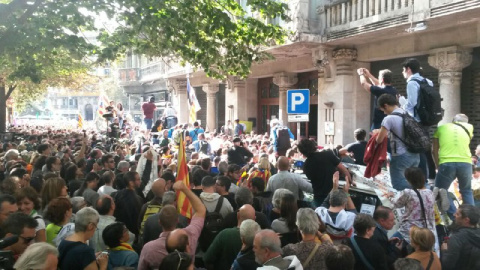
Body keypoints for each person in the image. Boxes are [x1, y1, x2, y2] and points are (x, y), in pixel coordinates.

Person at [138, 181, 206, 269]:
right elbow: (201, 210)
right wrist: (184, 189)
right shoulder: (189, 236)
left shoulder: (148, 249)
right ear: (177, 220)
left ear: (159, 222)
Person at [385, 167, 438, 251]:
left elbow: (395, 204)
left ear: (409, 180)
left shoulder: (408, 193)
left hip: (409, 232)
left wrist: (390, 197)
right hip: (427, 233)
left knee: (388, 248)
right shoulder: (430, 193)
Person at [375, 93, 420, 190]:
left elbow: (379, 140)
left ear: (386, 106)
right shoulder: (407, 113)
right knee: (413, 182)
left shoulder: (389, 119)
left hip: (400, 155)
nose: (384, 113)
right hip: (415, 154)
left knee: (398, 184)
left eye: (383, 110)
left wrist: (375, 134)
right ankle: (421, 198)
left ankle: (408, 201)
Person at [433, 113, 475, 217]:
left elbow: (434, 150)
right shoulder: (470, 127)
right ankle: (472, 219)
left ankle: (454, 216)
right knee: (466, 191)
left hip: (446, 163)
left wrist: (438, 165)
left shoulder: (441, 128)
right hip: (465, 163)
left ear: (453, 120)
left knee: (440, 191)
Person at [297, 139, 351, 206]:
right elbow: (344, 169)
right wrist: (350, 181)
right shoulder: (328, 154)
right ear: (314, 146)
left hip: (318, 196)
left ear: (302, 152)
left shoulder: (306, 165)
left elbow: (311, 179)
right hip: (333, 194)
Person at [204, 204, 256, 270]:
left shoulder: (225, 234)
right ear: (254, 219)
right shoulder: (259, 238)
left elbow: (207, 259)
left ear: (238, 216)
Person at [315, 172, 357, 241]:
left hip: (325, 246)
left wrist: (334, 187)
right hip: (342, 248)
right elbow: (353, 211)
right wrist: (346, 193)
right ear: (344, 204)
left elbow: (325, 203)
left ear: (330, 202)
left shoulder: (319, 213)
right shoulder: (350, 218)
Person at [441, 204, 480, 270]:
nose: (454, 215)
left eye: (457, 214)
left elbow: (447, 265)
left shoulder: (457, 238)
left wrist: (444, 251)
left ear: (466, 220)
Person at [113, 171, 143, 236]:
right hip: (130, 234)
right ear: (131, 183)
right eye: (138, 179)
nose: (140, 181)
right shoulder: (136, 199)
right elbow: (137, 219)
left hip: (120, 230)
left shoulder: (118, 194)